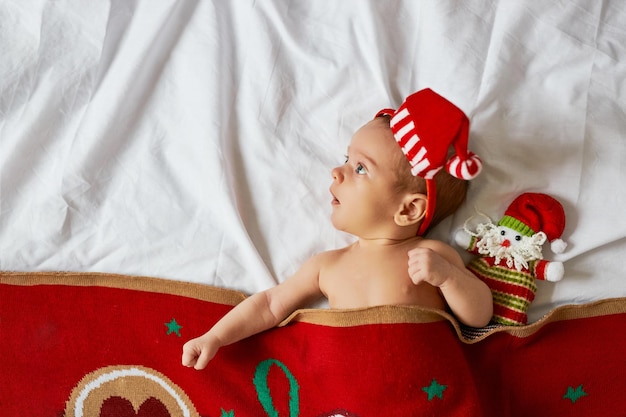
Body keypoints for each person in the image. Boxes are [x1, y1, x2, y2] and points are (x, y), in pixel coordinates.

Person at [182, 89, 493, 370]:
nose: (337, 170)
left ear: (409, 209)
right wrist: (216, 336)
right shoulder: (327, 266)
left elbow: (479, 316)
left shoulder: (430, 257)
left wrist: (449, 277)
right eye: (347, 159)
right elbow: (269, 305)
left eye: (360, 168)